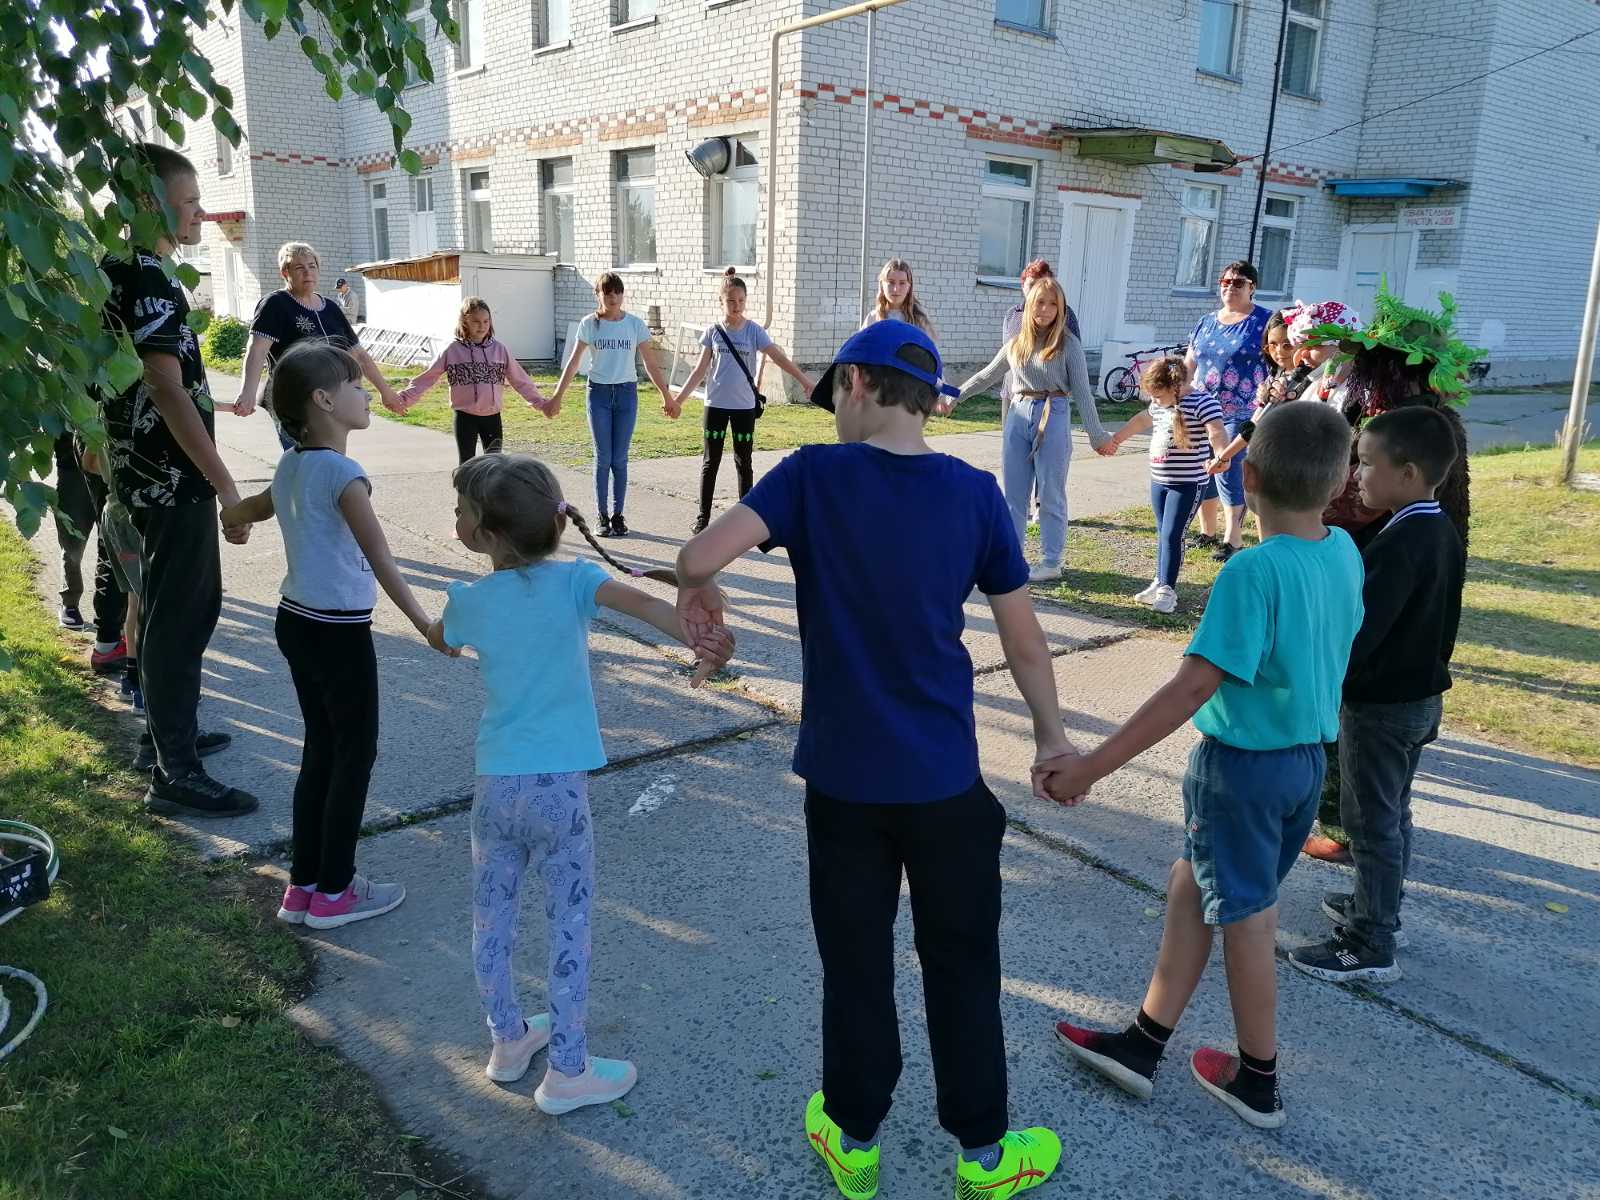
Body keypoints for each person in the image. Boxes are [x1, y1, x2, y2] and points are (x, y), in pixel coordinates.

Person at [676, 321, 1070, 1198]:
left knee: (856, 959)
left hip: (845, 785)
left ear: (855, 382)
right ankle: (985, 1156)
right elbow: (1026, 642)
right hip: (946, 784)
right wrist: (1050, 737)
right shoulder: (974, 495)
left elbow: (697, 553)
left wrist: (701, 594)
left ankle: (852, 1137)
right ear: (928, 400)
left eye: (832, 395)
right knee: (962, 961)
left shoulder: (812, 477)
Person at [1041, 401, 1364, 1131]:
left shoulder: (1252, 571)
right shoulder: (1343, 551)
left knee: (1247, 919)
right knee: (1193, 884)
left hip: (1242, 772)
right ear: (1341, 480)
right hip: (1305, 767)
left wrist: (1091, 765)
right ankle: (1143, 1043)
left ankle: (1259, 1079)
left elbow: (1192, 686)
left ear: (1246, 475)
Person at [433, 453, 733, 1114]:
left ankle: (507, 1041)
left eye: (460, 511)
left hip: (495, 791)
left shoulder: (469, 601)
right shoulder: (576, 580)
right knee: (567, 924)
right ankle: (567, 1069)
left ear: (481, 533)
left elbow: (442, 637)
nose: (454, 519)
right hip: (558, 792)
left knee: (492, 920)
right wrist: (704, 639)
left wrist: (437, 621)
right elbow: (655, 608)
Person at [221, 342, 452, 928]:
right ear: (324, 401)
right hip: (338, 634)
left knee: (321, 752)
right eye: (355, 384)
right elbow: (383, 561)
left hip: (295, 623)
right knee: (353, 756)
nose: (366, 391)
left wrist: (231, 519)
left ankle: (302, 886)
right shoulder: (346, 475)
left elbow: (254, 506)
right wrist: (426, 624)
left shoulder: (293, 464)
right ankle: (336, 892)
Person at [98, 143, 257, 819]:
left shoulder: (117, 270)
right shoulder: (151, 280)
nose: (198, 213)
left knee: (165, 613)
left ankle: (167, 739)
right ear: (147, 202)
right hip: (172, 480)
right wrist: (225, 486)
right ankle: (176, 773)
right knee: (181, 618)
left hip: (142, 476)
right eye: (189, 200)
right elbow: (167, 388)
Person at [1294, 286, 1476, 863]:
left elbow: (1348, 503)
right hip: (1429, 572)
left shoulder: (1390, 424)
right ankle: (1373, 822)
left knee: (1348, 702)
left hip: (1376, 570)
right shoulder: (1436, 425)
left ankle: (1346, 829)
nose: (1358, 367)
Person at [1288, 407, 1466, 983]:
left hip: (1382, 706)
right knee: (1394, 812)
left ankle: (1371, 940)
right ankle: (1379, 905)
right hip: (1418, 698)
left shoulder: (1403, 541)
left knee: (1372, 820)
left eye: (1366, 465)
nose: (1356, 476)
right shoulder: (1436, 527)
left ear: (1409, 473)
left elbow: (1363, 634)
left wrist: (1323, 674)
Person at [949, 276, 1111, 582]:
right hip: (1018, 415)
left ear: (1061, 309)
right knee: (1013, 495)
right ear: (1029, 304)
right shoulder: (1017, 342)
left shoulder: (1068, 343)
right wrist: (954, 397)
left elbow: (1083, 393)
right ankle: (1011, 558)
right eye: (1041, 302)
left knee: (1051, 493)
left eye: (1054, 304)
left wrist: (1097, 435)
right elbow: (986, 376)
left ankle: (1051, 561)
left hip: (1054, 415)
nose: (1047, 309)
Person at [672, 269, 815, 534]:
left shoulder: (754, 332)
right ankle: (703, 517)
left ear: (746, 301)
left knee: (744, 462)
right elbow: (699, 370)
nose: (736, 306)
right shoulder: (713, 332)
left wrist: (805, 381)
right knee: (709, 462)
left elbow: (779, 357)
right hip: (715, 406)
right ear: (721, 301)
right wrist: (677, 400)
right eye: (730, 301)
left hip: (744, 409)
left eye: (740, 300)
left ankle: (745, 522)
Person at [234, 241, 404, 449]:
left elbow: (358, 355)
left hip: (329, 400)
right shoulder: (276, 304)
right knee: (306, 457)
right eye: (299, 267)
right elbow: (257, 349)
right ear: (284, 273)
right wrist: (247, 392)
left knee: (326, 458)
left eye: (312, 266)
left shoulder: (330, 308)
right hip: (292, 399)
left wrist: (386, 392)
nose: (307, 272)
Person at [547, 273, 676, 536]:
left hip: (627, 394)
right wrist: (557, 397)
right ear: (599, 295)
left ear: (622, 294)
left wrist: (667, 395)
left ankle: (618, 515)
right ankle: (602, 516)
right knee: (603, 457)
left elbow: (650, 363)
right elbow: (573, 363)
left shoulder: (635, 324)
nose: (613, 297)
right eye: (607, 293)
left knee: (620, 458)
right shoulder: (589, 325)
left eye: (617, 292)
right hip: (599, 394)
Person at [1098, 355, 1228, 614]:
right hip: (1160, 481)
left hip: (1188, 483)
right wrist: (1117, 440)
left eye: (1158, 396)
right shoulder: (1159, 406)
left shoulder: (1202, 402)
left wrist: (1220, 455)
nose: (1154, 402)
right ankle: (1159, 580)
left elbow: (1216, 430)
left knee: (1172, 534)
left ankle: (1168, 590)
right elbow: (1141, 420)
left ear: (1175, 387)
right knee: (1163, 533)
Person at [1207, 301, 1360, 478]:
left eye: (1312, 345)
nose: (1300, 354)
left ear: (1344, 346)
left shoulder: (1359, 392)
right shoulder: (1301, 382)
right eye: (1272, 345)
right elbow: (1255, 426)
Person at [395, 297, 549, 465]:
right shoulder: (452, 350)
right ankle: (464, 492)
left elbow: (520, 379)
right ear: (464, 321)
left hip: (492, 417)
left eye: (486, 321)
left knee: (495, 464)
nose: (482, 326)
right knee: (466, 464)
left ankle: (491, 492)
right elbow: (428, 377)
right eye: (476, 321)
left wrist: (540, 403)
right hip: (465, 417)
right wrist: (403, 399)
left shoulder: (499, 349)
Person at [1187, 260, 1271, 562]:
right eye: (1225, 281)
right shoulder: (1207, 321)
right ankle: (1207, 531)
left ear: (1252, 287)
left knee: (1229, 469)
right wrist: (1177, 394)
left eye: (1237, 282)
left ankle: (1232, 538)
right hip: (1202, 405)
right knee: (1202, 467)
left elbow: (1276, 358)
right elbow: (1190, 362)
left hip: (1243, 408)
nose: (1229, 287)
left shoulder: (1264, 321)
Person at [51, 433, 129, 664]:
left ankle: (119, 619)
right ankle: (70, 601)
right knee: (73, 545)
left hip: (108, 472)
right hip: (72, 469)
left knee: (114, 548)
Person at [861, 257, 936, 337]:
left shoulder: (919, 318)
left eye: (902, 283)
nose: (896, 289)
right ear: (882, 285)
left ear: (909, 287)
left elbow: (929, 348)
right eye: (891, 282)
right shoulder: (872, 318)